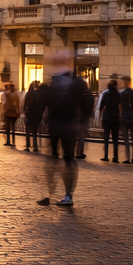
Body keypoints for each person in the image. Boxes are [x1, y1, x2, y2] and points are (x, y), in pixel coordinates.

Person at [38, 54, 90, 206]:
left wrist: (81, 120)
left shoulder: (75, 81)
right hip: (59, 123)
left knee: (66, 159)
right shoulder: (56, 80)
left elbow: (85, 101)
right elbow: (48, 101)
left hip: (67, 124)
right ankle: (52, 193)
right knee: (55, 158)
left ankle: (67, 194)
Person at [98, 78, 123, 162]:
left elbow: (101, 107)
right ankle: (115, 157)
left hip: (107, 117)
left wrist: (100, 117)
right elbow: (120, 106)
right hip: (115, 118)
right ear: (116, 85)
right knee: (115, 139)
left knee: (106, 138)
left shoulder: (106, 94)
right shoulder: (119, 94)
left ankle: (106, 156)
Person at [22, 79, 44, 152]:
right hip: (35, 115)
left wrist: (25, 110)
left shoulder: (28, 94)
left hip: (29, 114)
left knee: (28, 130)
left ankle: (28, 146)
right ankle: (35, 146)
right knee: (35, 131)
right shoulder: (37, 94)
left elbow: (25, 104)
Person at [1, 82, 23, 147]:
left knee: (8, 128)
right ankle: (12, 141)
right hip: (13, 113)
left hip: (9, 113)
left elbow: (6, 104)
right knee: (12, 128)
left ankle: (9, 141)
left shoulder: (9, 95)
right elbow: (18, 104)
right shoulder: (15, 94)